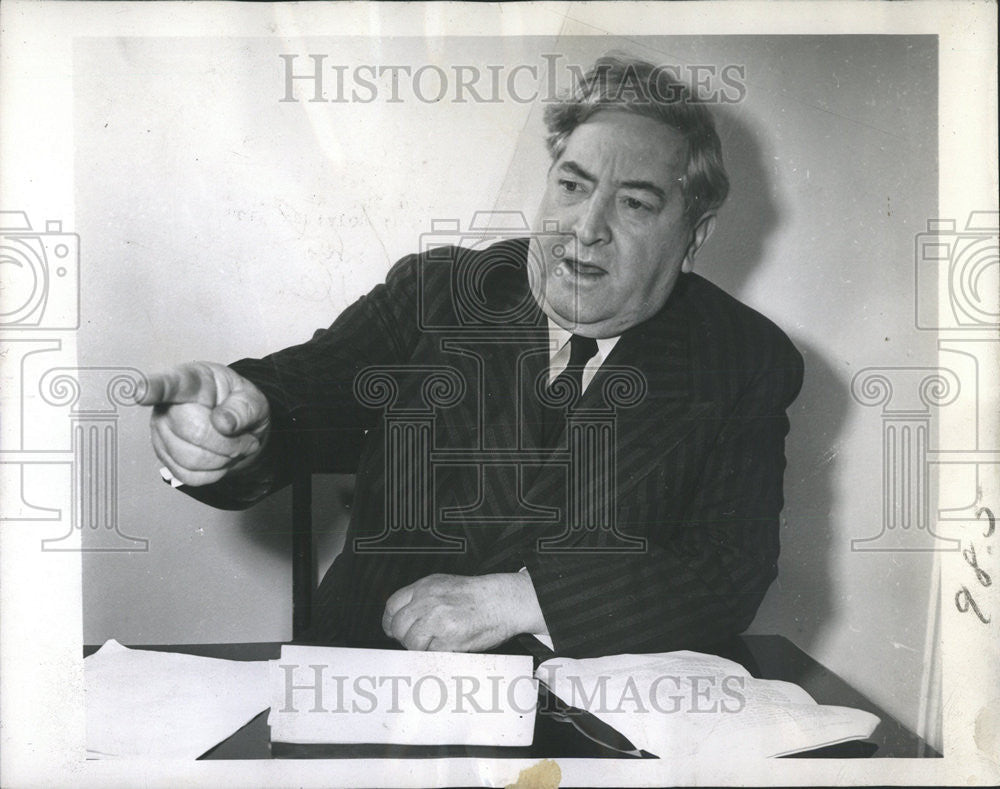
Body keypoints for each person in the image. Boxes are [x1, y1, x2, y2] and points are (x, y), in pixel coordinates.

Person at [137, 54, 804, 659]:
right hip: (371, 684)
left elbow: (728, 571)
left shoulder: (742, 360)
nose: (585, 226)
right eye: (572, 186)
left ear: (694, 234)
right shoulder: (440, 293)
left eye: (633, 203)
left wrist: (522, 599)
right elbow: (296, 397)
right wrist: (237, 430)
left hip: (586, 721)